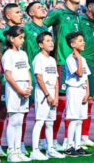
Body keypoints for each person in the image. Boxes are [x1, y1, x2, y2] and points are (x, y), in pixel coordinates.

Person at [43, 0, 80, 150]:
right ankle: (48, 140)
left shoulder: (78, 15)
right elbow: (42, 25)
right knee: (61, 103)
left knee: (74, 104)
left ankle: (68, 141)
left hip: (77, 63)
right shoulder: (59, 12)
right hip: (62, 62)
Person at [0, 3, 24, 156]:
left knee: (20, 112)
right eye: (17, 12)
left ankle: (19, 145)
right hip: (5, 78)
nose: (21, 14)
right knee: (3, 111)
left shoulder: (23, 32)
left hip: (22, 78)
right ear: (8, 15)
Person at [31, 32, 65, 160]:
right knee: (40, 121)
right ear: (40, 44)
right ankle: (35, 150)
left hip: (52, 95)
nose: (51, 43)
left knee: (50, 123)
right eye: (47, 40)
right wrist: (48, 95)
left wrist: (55, 97)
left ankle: (50, 148)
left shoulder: (52, 60)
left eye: (51, 40)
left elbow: (56, 80)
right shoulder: (38, 58)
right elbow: (39, 78)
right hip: (43, 94)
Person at [1, 26, 32, 162]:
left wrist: (29, 87)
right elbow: (8, 75)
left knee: (20, 121)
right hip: (14, 88)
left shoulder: (23, 54)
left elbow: (27, 71)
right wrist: (19, 90)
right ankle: (11, 152)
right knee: (13, 120)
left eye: (23, 37)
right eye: (20, 38)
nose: (23, 40)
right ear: (12, 39)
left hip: (25, 87)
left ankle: (18, 150)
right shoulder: (8, 54)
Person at [78, 0, 94, 147]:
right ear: (89, 7)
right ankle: (74, 137)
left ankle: (84, 136)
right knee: (77, 102)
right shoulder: (80, 20)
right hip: (80, 64)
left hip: (91, 66)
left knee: (89, 101)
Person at [23, 1, 48, 151]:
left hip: (45, 74)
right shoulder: (26, 28)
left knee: (44, 110)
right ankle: (19, 143)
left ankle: (42, 141)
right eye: (38, 7)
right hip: (30, 74)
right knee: (24, 111)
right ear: (31, 13)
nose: (42, 8)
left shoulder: (46, 29)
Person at [63, 31, 93, 157]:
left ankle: (78, 145)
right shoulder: (71, 59)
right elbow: (79, 73)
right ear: (72, 44)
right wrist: (79, 59)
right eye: (80, 40)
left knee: (80, 120)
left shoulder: (83, 58)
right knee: (74, 119)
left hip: (82, 90)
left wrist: (87, 92)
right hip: (74, 90)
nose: (83, 42)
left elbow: (85, 77)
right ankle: (69, 146)